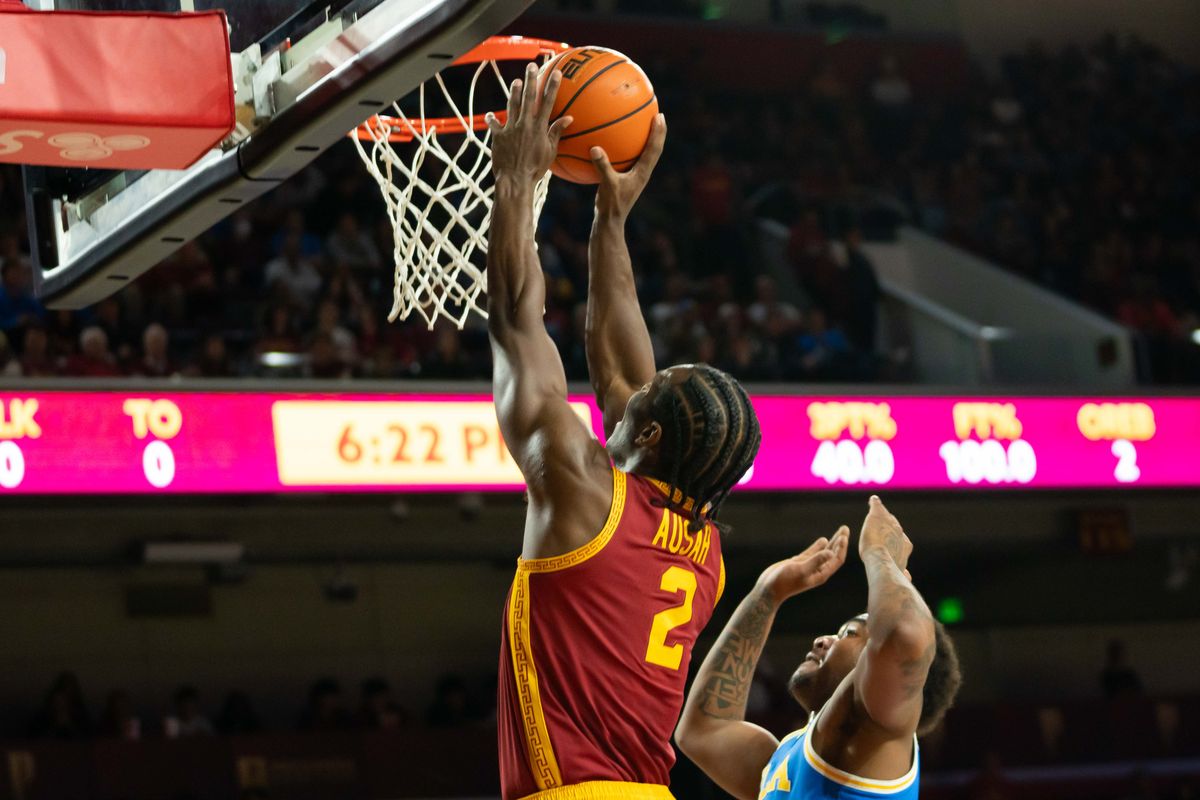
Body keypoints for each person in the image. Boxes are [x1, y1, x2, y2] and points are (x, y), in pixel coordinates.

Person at [484, 63, 761, 800]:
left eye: (655, 393)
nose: (643, 383)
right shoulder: (705, 555)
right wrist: (612, 219)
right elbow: (622, 377)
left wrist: (516, 181)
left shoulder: (582, 491)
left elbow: (517, 319)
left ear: (652, 439)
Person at [676, 496, 961, 799]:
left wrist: (880, 554)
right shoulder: (788, 758)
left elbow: (904, 638)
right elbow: (703, 728)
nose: (823, 640)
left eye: (850, 633)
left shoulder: (876, 732)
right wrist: (767, 593)